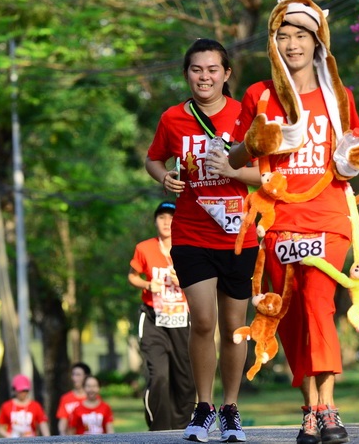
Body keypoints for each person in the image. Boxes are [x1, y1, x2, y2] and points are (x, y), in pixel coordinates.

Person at [229, 0, 359, 444]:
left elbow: (355, 155)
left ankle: (328, 407)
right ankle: (308, 408)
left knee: (317, 303)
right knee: (289, 314)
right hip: (279, 221)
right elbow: (234, 159)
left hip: (328, 216)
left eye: (301, 36)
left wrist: (351, 157)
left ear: (317, 41)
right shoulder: (259, 95)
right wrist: (257, 142)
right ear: (274, 44)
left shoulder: (338, 96)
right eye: (284, 36)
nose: (293, 44)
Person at [145, 38, 261, 443]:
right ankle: (204, 406)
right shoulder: (173, 118)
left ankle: (230, 409)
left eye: (213, 69)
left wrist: (233, 172)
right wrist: (164, 177)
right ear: (186, 74)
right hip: (191, 233)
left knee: (233, 327)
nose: (205, 77)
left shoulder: (246, 116)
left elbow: (266, 173)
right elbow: (153, 158)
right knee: (204, 320)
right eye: (197, 70)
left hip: (239, 235)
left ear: (226, 73)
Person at [128, 201, 195, 430]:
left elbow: (203, 282)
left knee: (185, 379)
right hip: (153, 319)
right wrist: (148, 284)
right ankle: (159, 429)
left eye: (171, 217)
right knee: (159, 376)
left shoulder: (189, 247)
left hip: (182, 320)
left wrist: (184, 279)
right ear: (155, 221)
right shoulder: (144, 248)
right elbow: (132, 276)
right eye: (162, 217)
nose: (167, 222)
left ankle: (183, 428)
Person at [55, 362, 90, 435]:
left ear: (86, 377)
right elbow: (63, 421)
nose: (74, 378)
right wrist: (62, 436)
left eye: (78, 375)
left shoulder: (92, 398)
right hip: (71, 437)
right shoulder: (66, 398)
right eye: (73, 375)